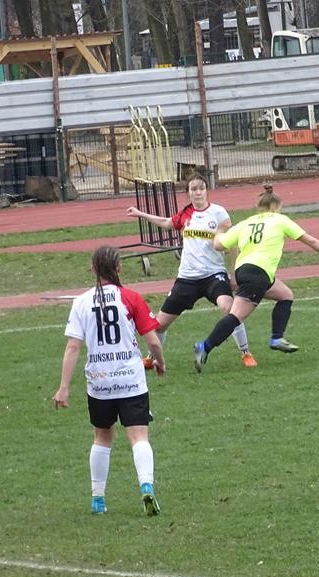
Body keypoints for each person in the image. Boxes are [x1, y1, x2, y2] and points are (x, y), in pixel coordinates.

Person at [53, 245, 165, 516]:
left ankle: (98, 499)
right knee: (138, 435)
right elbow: (153, 341)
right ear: (119, 268)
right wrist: (159, 361)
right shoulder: (131, 297)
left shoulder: (81, 302)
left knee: (102, 437)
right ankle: (146, 486)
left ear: (92, 269)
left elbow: (73, 347)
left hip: (99, 383)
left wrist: (64, 388)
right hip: (130, 380)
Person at [193, 188, 319, 372]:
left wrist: (219, 231)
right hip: (258, 274)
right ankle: (205, 346)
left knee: (285, 295)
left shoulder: (246, 223)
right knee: (236, 317)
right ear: (276, 206)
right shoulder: (280, 220)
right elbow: (310, 240)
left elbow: (218, 245)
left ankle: (277, 337)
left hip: (245, 271)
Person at [126, 173, 257, 368]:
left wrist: (233, 274)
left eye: (201, 188)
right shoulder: (185, 214)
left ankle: (245, 353)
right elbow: (167, 222)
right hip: (187, 278)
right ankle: (152, 358)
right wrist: (141, 214)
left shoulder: (219, 213)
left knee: (229, 308)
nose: (198, 192)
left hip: (214, 275)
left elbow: (231, 244)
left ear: (206, 190)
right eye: (193, 189)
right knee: (160, 324)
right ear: (188, 193)